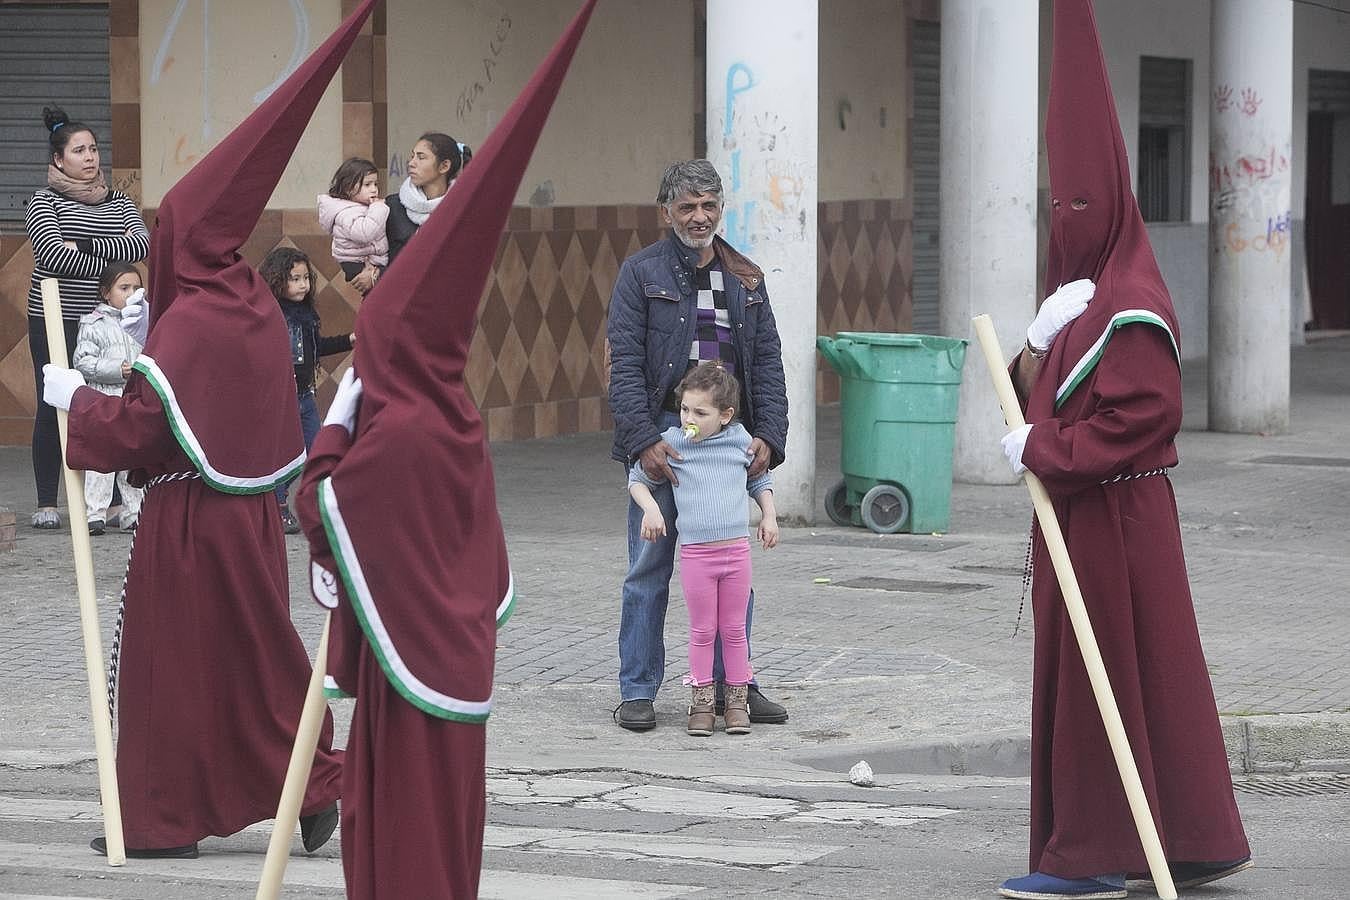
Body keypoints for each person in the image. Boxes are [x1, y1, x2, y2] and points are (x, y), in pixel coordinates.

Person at [39, 0, 378, 858]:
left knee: (177, 672)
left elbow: (146, 431)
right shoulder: (253, 304)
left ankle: (162, 815)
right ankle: (310, 783)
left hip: (192, 523)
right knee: (256, 661)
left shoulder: (190, 322)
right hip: (252, 519)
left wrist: (74, 400)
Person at [294, 4, 596, 895]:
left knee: (412, 841)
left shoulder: (407, 429)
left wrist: (339, 421)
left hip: (414, 678)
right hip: (433, 664)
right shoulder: (449, 411)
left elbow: (325, 505)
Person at [994, 1, 1251, 897]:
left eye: (1078, 204)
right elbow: (1053, 392)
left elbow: (1137, 421)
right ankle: (1180, 837)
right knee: (1123, 677)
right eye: (1055, 201)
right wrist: (1034, 348)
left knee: (1125, 675)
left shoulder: (1133, 299)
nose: (1064, 218)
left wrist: (1042, 444)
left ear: (1108, 208)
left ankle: (1098, 854)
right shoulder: (1075, 293)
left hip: (1123, 515)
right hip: (1087, 515)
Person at [606, 158, 789, 732]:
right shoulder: (640, 274)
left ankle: (737, 684)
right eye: (686, 206)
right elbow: (626, 365)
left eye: (709, 205)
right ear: (666, 212)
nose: (699, 216)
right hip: (666, 439)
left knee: (731, 569)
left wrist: (769, 438)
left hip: (729, 440)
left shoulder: (746, 279)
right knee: (649, 567)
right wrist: (643, 442)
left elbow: (767, 364)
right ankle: (638, 690)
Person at [628, 362, 779, 736]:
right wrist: (650, 510)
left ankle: (738, 702)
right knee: (702, 630)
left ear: (725, 415)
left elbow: (759, 479)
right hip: (697, 556)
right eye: (684, 409)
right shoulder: (673, 442)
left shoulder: (739, 440)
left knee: (733, 630)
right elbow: (637, 479)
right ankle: (701, 702)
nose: (688, 418)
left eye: (700, 412)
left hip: (737, 554)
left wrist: (770, 516)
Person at [25, 104, 149, 530]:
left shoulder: (119, 199)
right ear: (59, 159)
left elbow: (139, 248)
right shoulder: (44, 201)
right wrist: (107, 253)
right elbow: (53, 254)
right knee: (54, 403)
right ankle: (47, 500)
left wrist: (86, 247)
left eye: (93, 149)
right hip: (55, 319)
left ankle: (112, 502)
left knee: (110, 403)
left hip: (112, 320)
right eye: (79, 150)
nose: (90, 157)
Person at [259, 247, 353, 533]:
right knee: (284, 456)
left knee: (314, 453)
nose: (302, 285)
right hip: (280, 400)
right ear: (277, 281)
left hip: (305, 397)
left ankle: (315, 506)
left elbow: (317, 348)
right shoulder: (269, 315)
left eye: (305, 278)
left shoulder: (307, 315)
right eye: (294, 279)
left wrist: (350, 340)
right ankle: (277, 504)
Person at [71, 262, 145, 534]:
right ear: (106, 292)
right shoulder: (93, 323)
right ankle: (95, 514)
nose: (131, 293)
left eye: (136, 288)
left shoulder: (143, 321)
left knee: (132, 459)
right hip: (103, 399)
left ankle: (133, 513)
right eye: (124, 287)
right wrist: (117, 369)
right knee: (100, 461)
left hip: (134, 400)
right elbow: (83, 361)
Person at [349, 132, 472, 293]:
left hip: (441, 303)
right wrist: (373, 275)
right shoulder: (392, 206)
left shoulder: (460, 211)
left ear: (444, 166)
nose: (411, 163)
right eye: (412, 156)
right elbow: (365, 252)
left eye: (421, 157)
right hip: (393, 303)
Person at [318, 156, 388, 288]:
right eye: (367, 185)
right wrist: (378, 208)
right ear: (348, 188)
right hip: (357, 262)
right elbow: (364, 233)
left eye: (375, 184)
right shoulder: (346, 213)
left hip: (367, 258)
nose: (374, 189)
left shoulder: (360, 207)